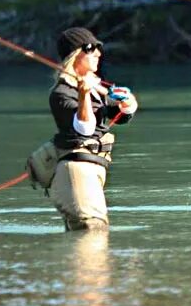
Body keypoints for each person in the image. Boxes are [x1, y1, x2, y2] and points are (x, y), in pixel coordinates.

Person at [48, 26, 138, 231]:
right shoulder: (61, 93)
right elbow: (85, 129)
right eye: (90, 48)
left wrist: (128, 103)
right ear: (74, 55)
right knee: (91, 230)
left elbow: (120, 115)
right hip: (77, 169)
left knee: (90, 233)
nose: (97, 52)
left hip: (95, 168)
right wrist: (83, 94)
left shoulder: (96, 89)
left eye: (98, 47)